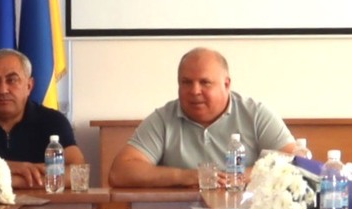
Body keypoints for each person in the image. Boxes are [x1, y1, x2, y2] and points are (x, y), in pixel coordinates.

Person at [109, 48, 292, 188]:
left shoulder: (255, 114)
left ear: (226, 84)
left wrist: (242, 177)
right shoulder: (163, 119)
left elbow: (295, 160)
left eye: (205, 82)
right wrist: (185, 177)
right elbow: (120, 172)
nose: (195, 91)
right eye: (186, 82)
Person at [0, 49, 83, 191]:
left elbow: (78, 172)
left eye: (12, 80)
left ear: (29, 86)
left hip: (44, 204)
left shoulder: (53, 121)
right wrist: (4, 168)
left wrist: (10, 180)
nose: (2, 90)